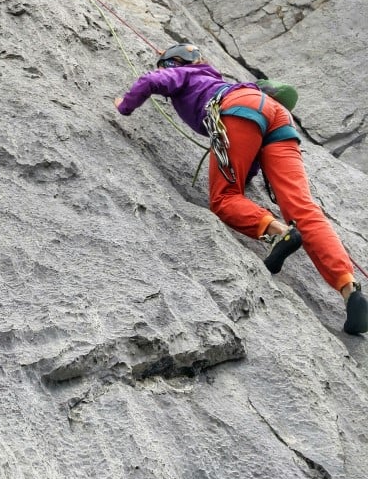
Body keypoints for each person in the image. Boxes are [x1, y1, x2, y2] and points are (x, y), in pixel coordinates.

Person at [114, 42, 368, 336]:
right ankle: (349, 289)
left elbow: (151, 81)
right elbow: (250, 153)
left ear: (173, 63)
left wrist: (124, 105)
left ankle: (278, 233)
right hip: (275, 114)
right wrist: (245, 174)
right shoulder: (214, 79)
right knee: (303, 208)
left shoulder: (182, 74)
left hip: (239, 109)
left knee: (223, 199)